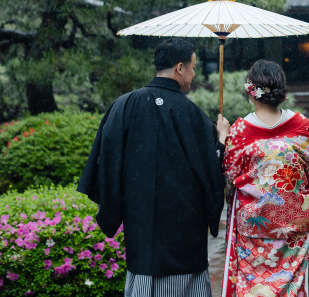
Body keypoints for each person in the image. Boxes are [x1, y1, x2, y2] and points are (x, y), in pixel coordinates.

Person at [78, 37, 230, 297]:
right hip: (185, 228)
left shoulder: (123, 105)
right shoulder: (192, 114)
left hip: (141, 223)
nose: (193, 74)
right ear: (179, 68)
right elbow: (212, 174)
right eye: (192, 67)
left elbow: (107, 163)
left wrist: (114, 205)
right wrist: (222, 139)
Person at [221, 59, 309, 297]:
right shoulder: (300, 125)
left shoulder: (239, 131)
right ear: (282, 91)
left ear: (251, 92)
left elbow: (229, 175)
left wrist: (223, 136)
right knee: (295, 286)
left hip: (253, 228)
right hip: (295, 225)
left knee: (253, 287)